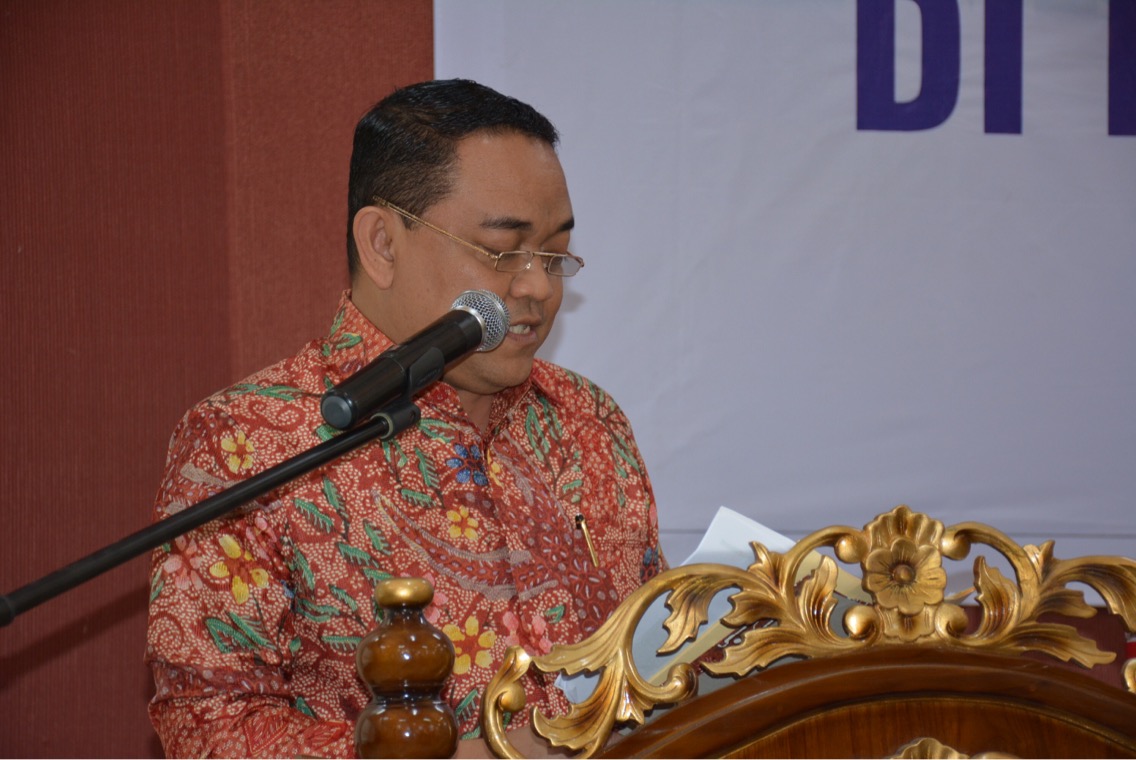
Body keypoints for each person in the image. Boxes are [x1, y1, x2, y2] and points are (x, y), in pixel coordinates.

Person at [145, 79, 666, 758]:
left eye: (554, 254)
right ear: (383, 243)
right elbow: (210, 729)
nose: (538, 287)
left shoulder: (589, 421)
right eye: (502, 252)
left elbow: (659, 660)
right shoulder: (246, 444)